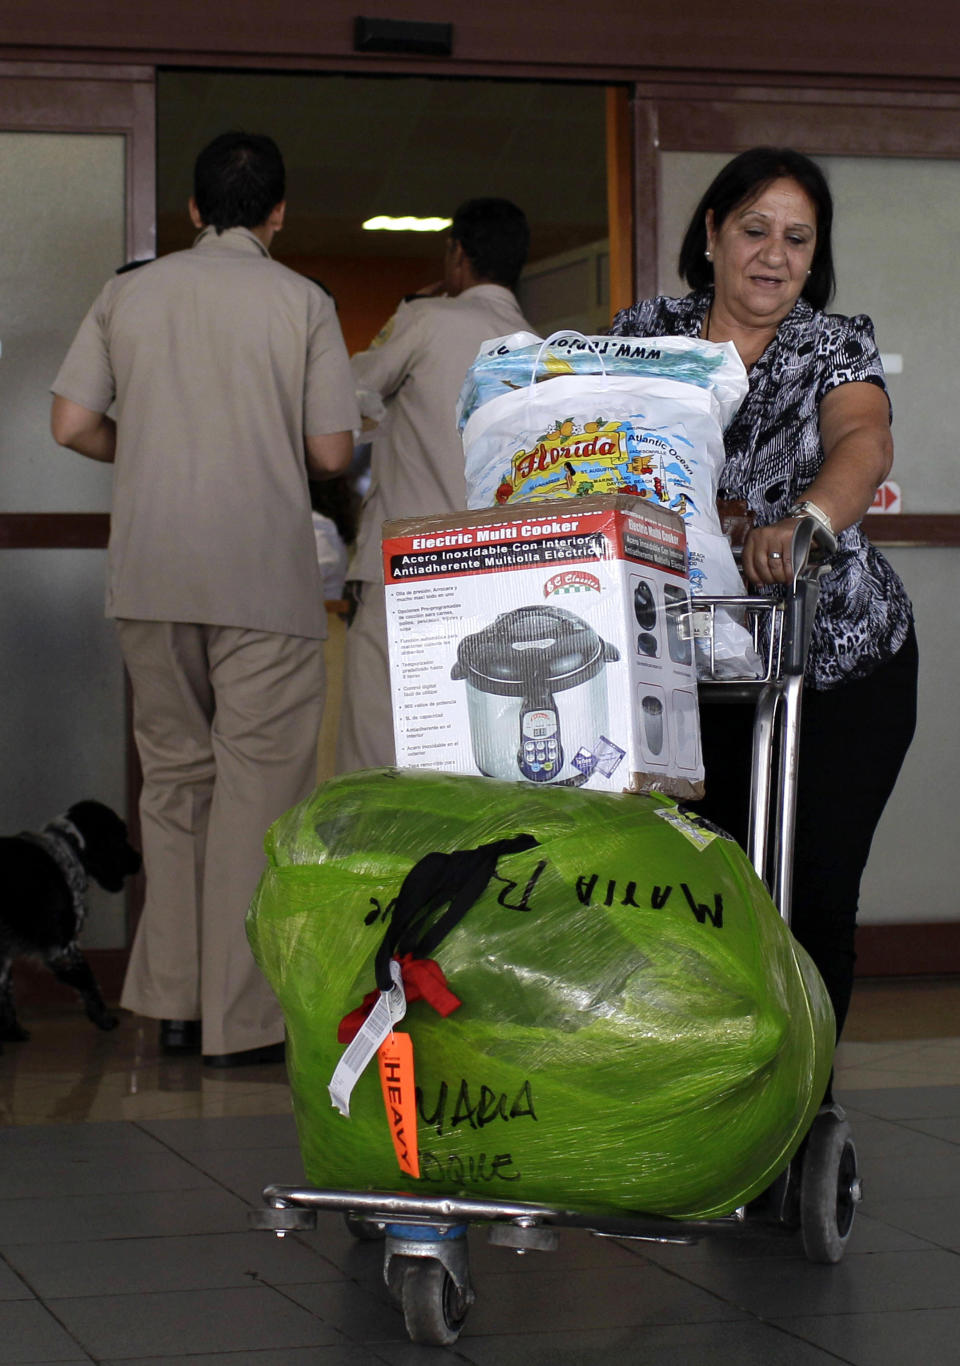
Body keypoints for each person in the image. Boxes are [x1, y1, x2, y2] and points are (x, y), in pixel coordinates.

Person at [50, 131, 360, 1066]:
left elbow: (69, 422)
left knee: (175, 783)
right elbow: (334, 455)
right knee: (256, 795)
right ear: (276, 214)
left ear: (191, 211)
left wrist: (140, 448)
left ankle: (173, 1004)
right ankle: (243, 1022)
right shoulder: (304, 302)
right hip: (259, 574)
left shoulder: (127, 292)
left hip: (149, 573)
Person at [611, 147, 917, 1054]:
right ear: (711, 234)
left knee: (813, 894)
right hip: (691, 665)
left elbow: (863, 436)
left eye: (797, 237)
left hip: (835, 668)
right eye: (754, 229)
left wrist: (810, 522)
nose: (773, 255)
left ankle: (799, 1107)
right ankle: (706, 1095)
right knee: (692, 892)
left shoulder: (833, 342)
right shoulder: (645, 334)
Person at [336, 197, 532, 772]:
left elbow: (340, 393)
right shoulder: (540, 349)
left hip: (407, 576)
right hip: (501, 588)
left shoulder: (428, 320)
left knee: (376, 761)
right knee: (468, 762)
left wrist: (405, 309)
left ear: (457, 256)